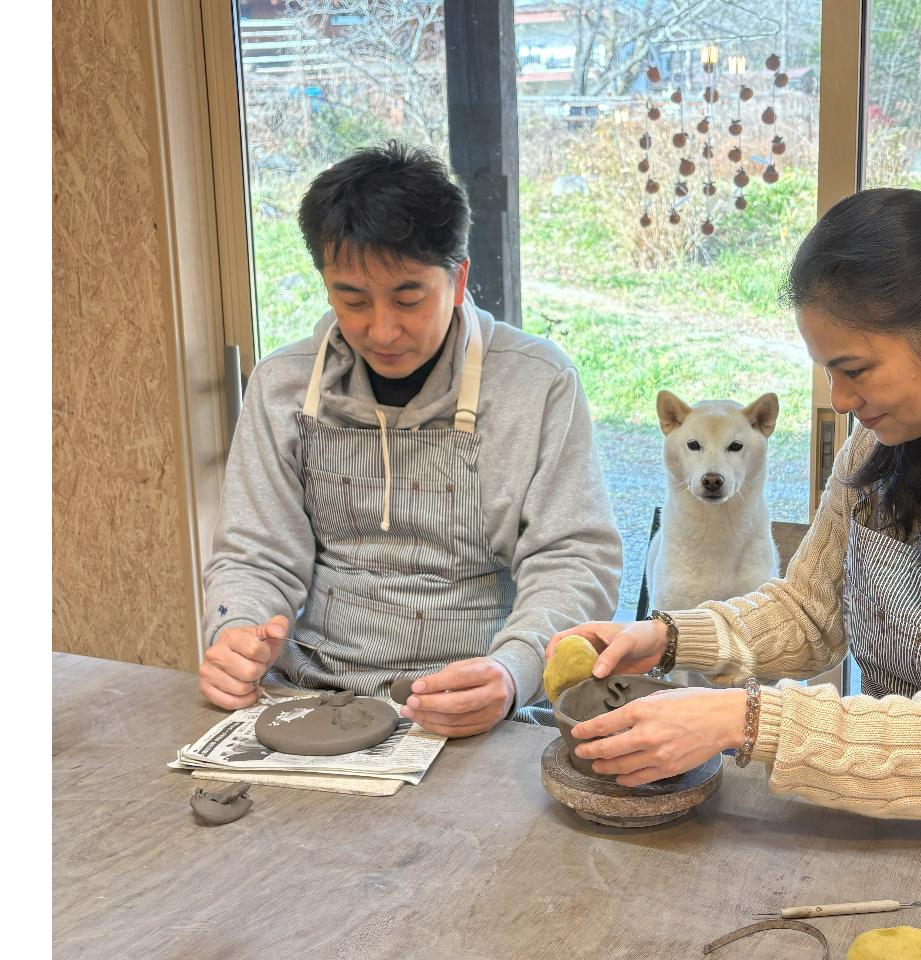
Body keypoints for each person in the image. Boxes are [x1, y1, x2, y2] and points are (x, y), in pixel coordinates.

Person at [548, 188, 921, 819]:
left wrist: (744, 719)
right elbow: (811, 612)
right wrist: (669, 639)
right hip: (881, 811)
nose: (839, 399)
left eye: (856, 370)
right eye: (827, 373)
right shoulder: (883, 445)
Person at [199, 143, 623, 737]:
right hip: (314, 694)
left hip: (478, 699)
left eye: (408, 297)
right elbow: (253, 555)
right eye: (352, 300)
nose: (382, 329)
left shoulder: (538, 382)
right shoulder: (282, 388)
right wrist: (235, 631)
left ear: (458, 278)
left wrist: (511, 670)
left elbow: (574, 558)